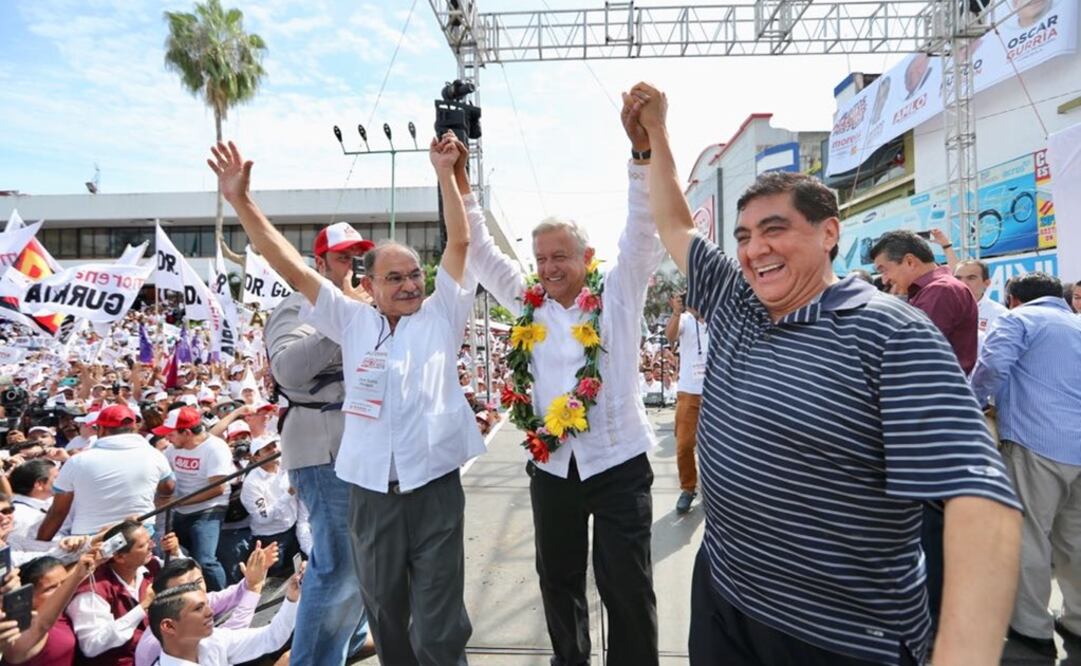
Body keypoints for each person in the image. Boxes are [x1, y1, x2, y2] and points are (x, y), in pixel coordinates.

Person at [632, 81, 1023, 665]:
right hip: (724, 595)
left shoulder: (890, 333)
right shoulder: (736, 300)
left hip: (838, 634)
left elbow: (977, 498)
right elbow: (676, 226)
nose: (753, 249)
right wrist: (654, 136)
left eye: (774, 229)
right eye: (743, 237)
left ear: (829, 233)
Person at [207, 135, 482, 665]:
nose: (408, 284)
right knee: (384, 608)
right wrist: (241, 201)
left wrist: (445, 173)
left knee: (440, 617)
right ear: (370, 285)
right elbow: (290, 267)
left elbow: (461, 245)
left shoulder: (441, 315)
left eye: (413, 275)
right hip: (372, 495)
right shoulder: (351, 320)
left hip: (434, 489)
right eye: (394, 277)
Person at [455, 92, 664, 665]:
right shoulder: (527, 306)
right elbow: (477, 249)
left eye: (560, 257)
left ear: (587, 256)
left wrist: (641, 153)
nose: (548, 268)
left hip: (618, 463)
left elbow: (643, 230)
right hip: (551, 467)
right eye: (541, 258)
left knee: (626, 587)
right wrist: (459, 182)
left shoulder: (619, 293)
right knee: (559, 582)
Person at [262, 214, 376, 665]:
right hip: (323, 445)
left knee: (363, 556)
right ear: (319, 263)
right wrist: (343, 319)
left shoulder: (364, 308)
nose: (352, 266)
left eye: (356, 258)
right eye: (342, 258)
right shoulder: (295, 306)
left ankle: (346, 643)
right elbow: (287, 370)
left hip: (361, 445)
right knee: (338, 563)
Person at [970, 272, 1081, 656]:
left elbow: (992, 367)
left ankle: (1031, 626)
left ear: (1013, 298)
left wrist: (969, 405)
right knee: (1075, 538)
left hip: (1037, 442)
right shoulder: (1076, 323)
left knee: (1030, 535)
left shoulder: (1018, 320)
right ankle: (1078, 619)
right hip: (1077, 444)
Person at [38, 405, 175, 540]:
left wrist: (40, 545)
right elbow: (168, 488)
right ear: (134, 428)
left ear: (101, 429)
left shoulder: (77, 461)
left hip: (90, 540)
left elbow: (58, 512)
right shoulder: (155, 456)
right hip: (139, 536)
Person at [133, 542, 277, 666]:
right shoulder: (157, 643)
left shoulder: (196, 599)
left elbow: (233, 594)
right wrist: (254, 588)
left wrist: (258, 569)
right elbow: (232, 634)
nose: (196, 589)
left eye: (198, 582)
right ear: (165, 597)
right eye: (185, 587)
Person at [870, 230, 979, 373]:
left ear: (910, 261)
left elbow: (912, 352)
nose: (884, 279)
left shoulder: (940, 291)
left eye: (884, 270)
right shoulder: (927, 291)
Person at [66, 520, 172, 665]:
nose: (152, 546)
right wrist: (142, 607)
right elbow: (92, 645)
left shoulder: (150, 566)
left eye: (150, 540)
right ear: (120, 557)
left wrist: (176, 553)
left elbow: (189, 577)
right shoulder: (92, 591)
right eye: (143, 545)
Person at [155, 406, 233, 591]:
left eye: (171, 434)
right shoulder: (173, 449)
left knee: (205, 560)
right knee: (177, 555)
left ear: (187, 433)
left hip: (209, 508)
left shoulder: (215, 448)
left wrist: (178, 502)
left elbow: (217, 488)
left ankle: (223, 599)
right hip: (180, 509)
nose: (168, 438)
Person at [148, 574, 299, 666]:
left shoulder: (214, 639)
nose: (210, 612)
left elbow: (270, 637)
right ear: (169, 626)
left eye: (207, 605)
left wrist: (293, 596)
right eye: (198, 608)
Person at [0, 550, 101, 666]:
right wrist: (77, 576)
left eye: (63, 583)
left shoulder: (63, 611)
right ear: (29, 595)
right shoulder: (20, 630)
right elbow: (41, 625)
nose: (61, 590)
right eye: (51, 588)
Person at [665, 294, 709, 514]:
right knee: (683, 445)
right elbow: (670, 336)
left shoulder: (717, 317)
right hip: (688, 392)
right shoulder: (684, 320)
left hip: (716, 393)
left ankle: (713, 490)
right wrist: (676, 311)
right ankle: (688, 488)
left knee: (715, 448)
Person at [239, 435, 299, 578]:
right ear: (256, 457)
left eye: (274, 446)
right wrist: (288, 494)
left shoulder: (285, 467)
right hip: (270, 540)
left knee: (296, 575)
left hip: (293, 531)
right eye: (267, 449)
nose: (273, 450)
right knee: (275, 583)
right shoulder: (252, 483)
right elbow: (263, 518)